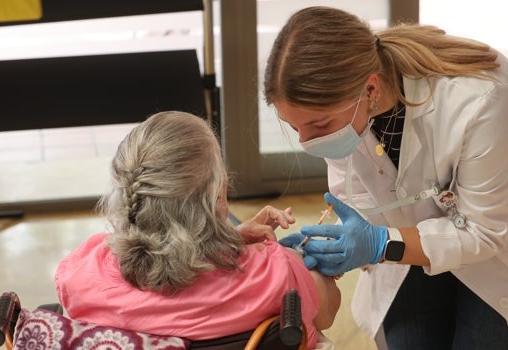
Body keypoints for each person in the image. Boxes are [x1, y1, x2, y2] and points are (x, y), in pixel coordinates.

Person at [267, 6, 508, 350]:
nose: (307, 140)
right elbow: (357, 197)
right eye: (294, 127)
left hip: (504, 253)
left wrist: (377, 244)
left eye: (319, 126)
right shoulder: (343, 111)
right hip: (413, 248)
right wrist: (334, 245)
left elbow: (483, 230)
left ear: (371, 90)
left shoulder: (479, 96)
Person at [54, 111, 341, 349]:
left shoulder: (82, 271)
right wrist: (306, 262)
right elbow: (325, 314)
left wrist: (229, 242)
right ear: (217, 196)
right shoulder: (278, 274)